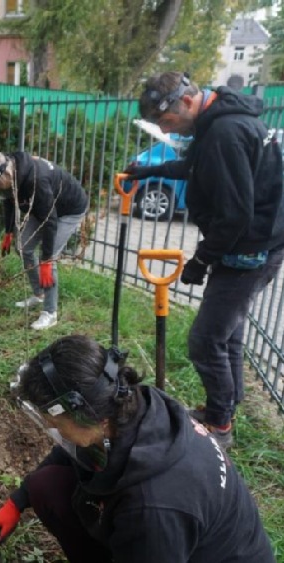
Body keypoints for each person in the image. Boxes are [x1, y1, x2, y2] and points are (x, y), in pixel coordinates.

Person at [0, 335, 275, 563]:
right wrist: (19, 499)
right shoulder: (132, 404)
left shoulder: (152, 508)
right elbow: (74, 448)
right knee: (46, 485)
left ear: (85, 416)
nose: (55, 431)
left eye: (54, 422)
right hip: (172, 543)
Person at [124, 71, 284, 448]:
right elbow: (189, 166)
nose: (170, 130)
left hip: (250, 248)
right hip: (253, 240)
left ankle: (219, 426)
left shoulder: (225, 135)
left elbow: (236, 214)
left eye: (167, 122)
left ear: (188, 101)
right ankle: (227, 404)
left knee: (205, 339)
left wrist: (200, 261)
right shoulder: (216, 124)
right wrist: (148, 171)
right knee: (227, 333)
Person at [0, 151, 88, 330]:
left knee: (50, 257)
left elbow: (50, 222)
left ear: (7, 175)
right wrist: (9, 232)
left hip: (68, 210)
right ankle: (39, 295)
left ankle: (50, 313)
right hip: (44, 207)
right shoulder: (11, 169)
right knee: (23, 247)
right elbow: (9, 200)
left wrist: (45, 259)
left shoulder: (36, 182)